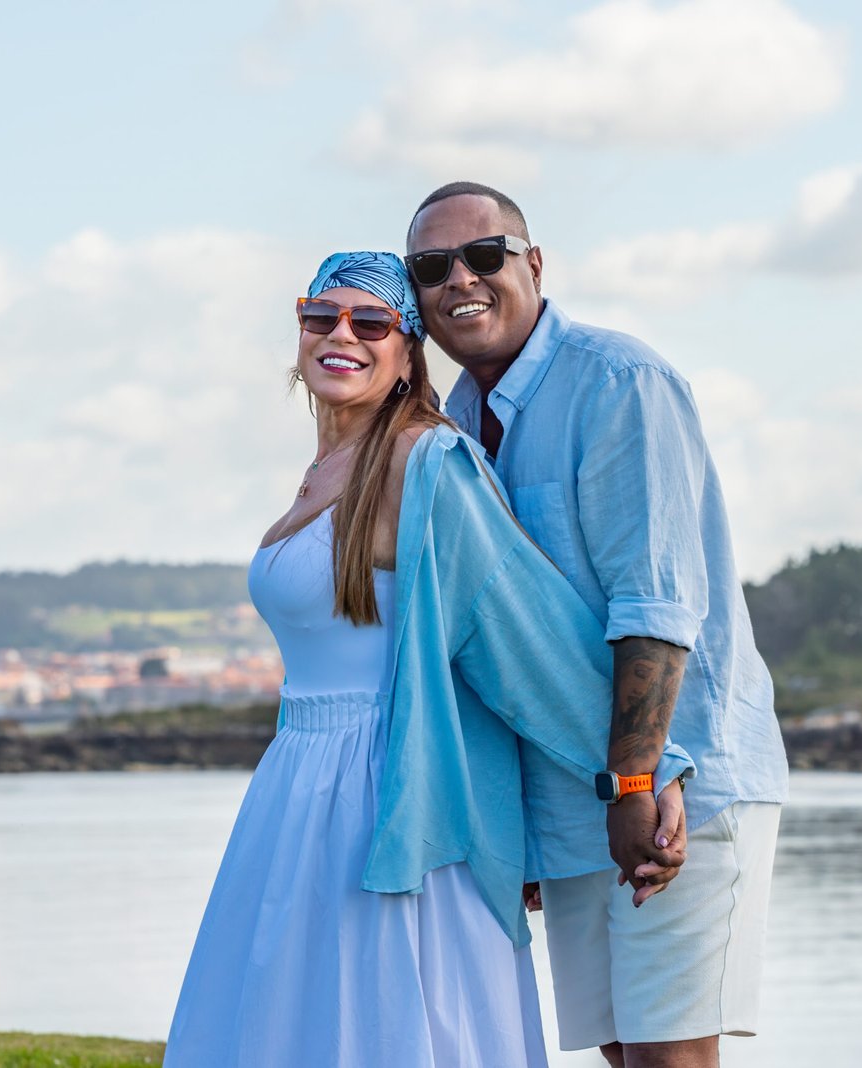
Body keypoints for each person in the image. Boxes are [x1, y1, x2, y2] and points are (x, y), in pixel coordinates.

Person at [162, 251, 692, 1068]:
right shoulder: (323, 470)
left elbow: (531, 638)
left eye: (372, 322)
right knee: (287, 1023)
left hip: (391, 785)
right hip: (297, 787)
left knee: (385, 1027)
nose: (342, 335)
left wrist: (648, 767)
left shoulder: (426, 464)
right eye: (321, 316)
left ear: (409, 353)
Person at [405, 183, 790, 1068]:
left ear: (534, 264)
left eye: (485, 255)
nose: (460, 279)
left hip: (676, 783)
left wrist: (634, 784)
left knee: (669, 1059)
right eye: (432, 267)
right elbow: (494, 639)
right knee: (621, 1050)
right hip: (571, 789)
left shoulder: (621, 383)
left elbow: (655, 604)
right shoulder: (451, 426)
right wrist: (523, 823)